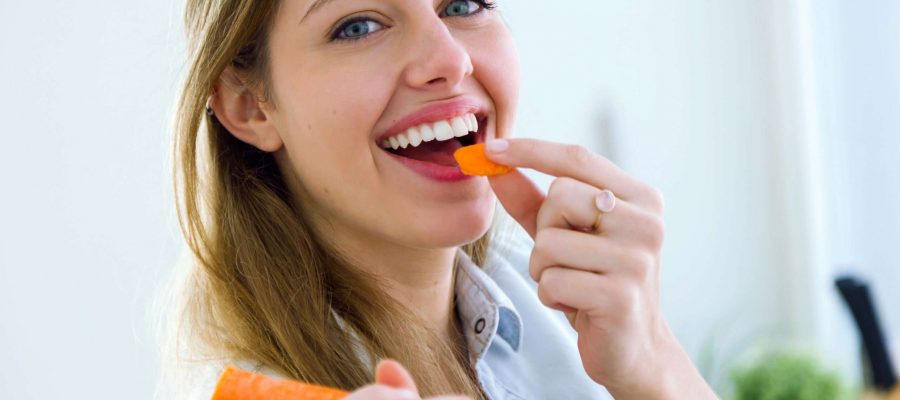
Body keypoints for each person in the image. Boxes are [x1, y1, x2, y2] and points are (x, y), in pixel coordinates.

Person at [157, 0, 719, 399]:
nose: (450, 60)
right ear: (250, 106)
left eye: (463, 4)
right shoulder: (255, 389)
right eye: (357, 26)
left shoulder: (555, 298)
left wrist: (654, 364)